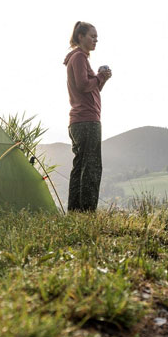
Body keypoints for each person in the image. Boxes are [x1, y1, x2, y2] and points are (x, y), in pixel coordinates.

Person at [64, 21, 111, 212]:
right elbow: (84, 85)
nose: (95, 41)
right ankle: (87, 212)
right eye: (92, 36)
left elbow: (90, 87)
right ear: (80, 36)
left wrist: (102, 79)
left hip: (78, 121)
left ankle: (75, 212)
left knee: (80, 167)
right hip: (87, 120)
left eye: (97, 38)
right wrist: (99, 77)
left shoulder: (77, 59)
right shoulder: (79, 58)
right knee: (91, 168)